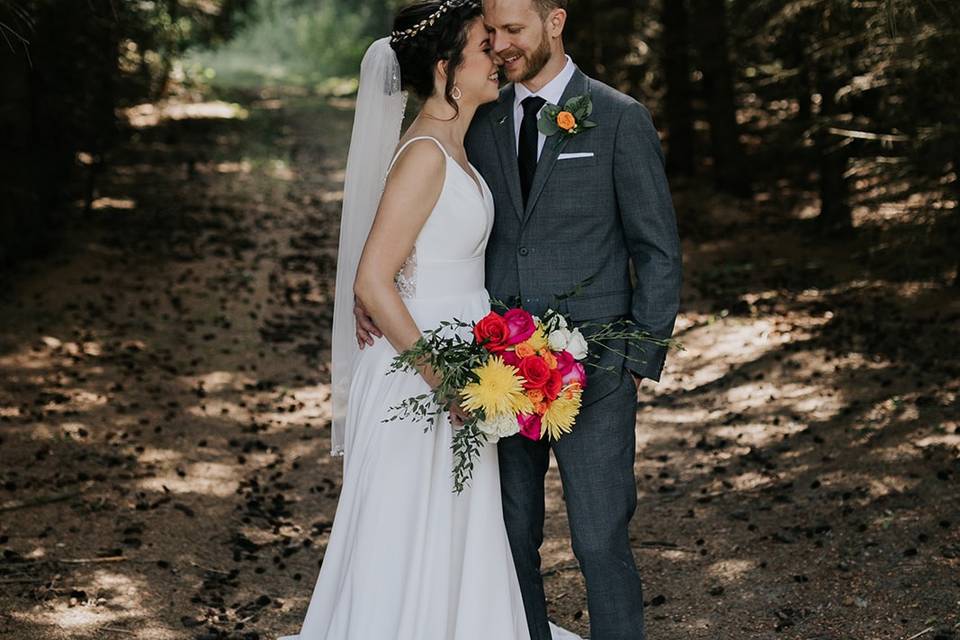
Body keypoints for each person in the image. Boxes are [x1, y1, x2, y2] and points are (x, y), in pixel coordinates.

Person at [356, 0, 682, 638]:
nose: (502, 45)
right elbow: (405, 222)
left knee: (599, 540)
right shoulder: (475, 118)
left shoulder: (618, 118)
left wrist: (635, 362)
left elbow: (658, 251)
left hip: (595, 370)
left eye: (514, 30)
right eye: (492, 34)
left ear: (554, 22)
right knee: (508, 542)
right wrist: (365, 291)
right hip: (492, 370)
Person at [280, 1, 581, 638]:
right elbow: (373, 278)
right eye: (483, 45)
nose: (499, 53)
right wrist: (444, 381)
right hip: (421, 375)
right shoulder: (424, 155)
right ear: (447, 68)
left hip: (460, 355)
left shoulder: (456, 141)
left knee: (453, 523)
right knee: (406, 526)